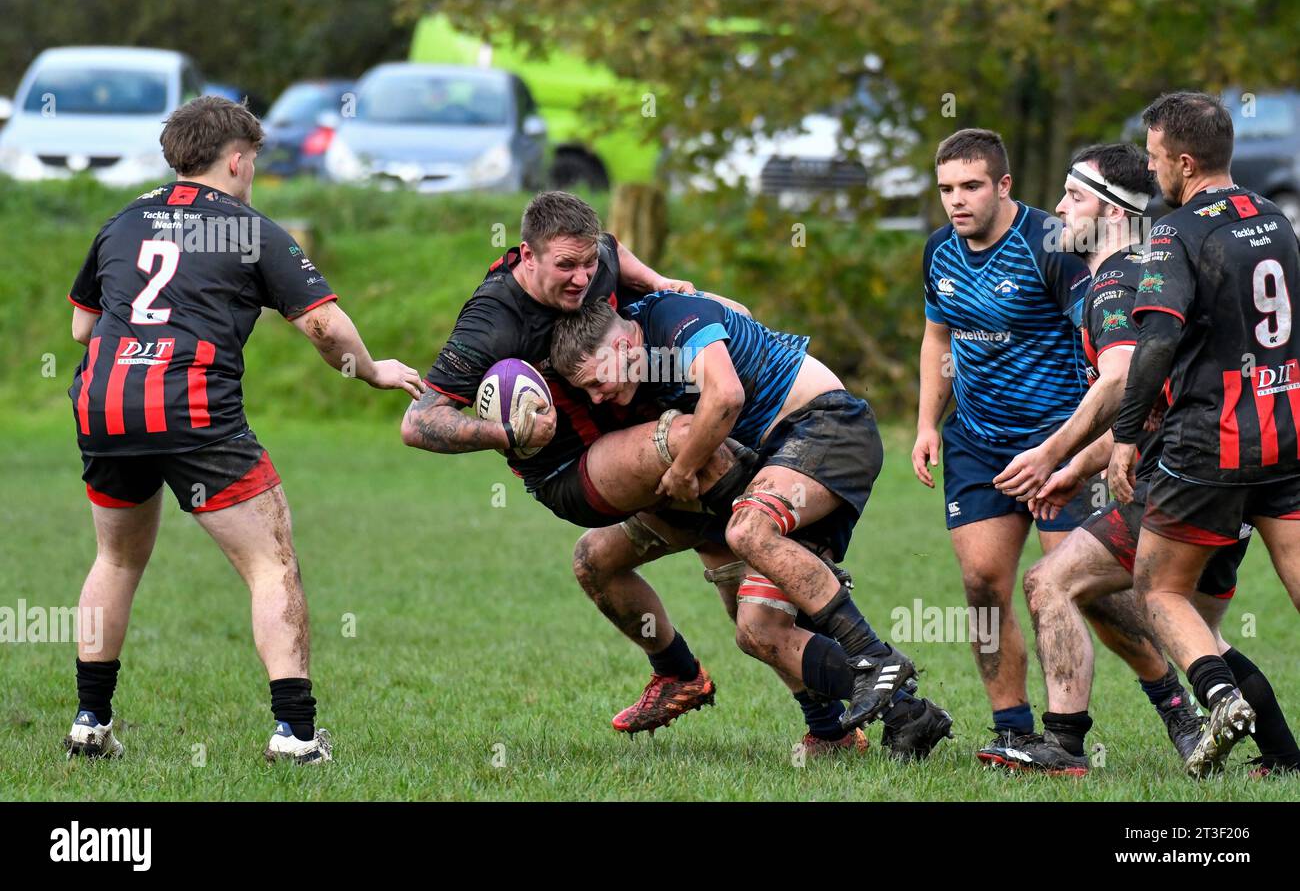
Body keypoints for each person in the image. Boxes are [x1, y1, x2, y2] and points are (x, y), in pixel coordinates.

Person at [401, 192, 871, 750]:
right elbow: (418, 423)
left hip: (648, 465)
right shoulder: (491, 321)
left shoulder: (590, 261)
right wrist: (507, 434)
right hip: (573, 471)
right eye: (565, 267)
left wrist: (662, 281)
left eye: (586, 265)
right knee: (687, 443)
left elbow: (612, 251)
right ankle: (818, 583)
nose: (581, 278)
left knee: (627, 574)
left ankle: (709, 682)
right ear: (526, 255)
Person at [64, 96, 425, 764]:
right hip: (193, 408)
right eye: (252, 162)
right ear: (235, 159)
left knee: (114, 559)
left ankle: (90, 722)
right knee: (270, 563)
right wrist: (371, 371)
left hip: (107, 404)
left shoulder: (121, 223)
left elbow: (83, 329)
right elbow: (321, 323)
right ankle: (294, 733)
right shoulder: (246, 228)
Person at [990, 144, 1296, 775]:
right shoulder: (1174, 253)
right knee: (1192, 631)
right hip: (1247, 458)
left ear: (1108, 210)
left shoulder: (1114, 279)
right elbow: (1157, 394)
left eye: (1073, 198)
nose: (1058, 211)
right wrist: (1077, 468)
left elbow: (1123, 379)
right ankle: (1282, 754)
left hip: (1181, 477)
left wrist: (1051, 453)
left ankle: (1066, 742)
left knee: (1052, 581)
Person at [549, 291, 952, 749]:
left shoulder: (670, 319)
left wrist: (681, 471)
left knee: (747, 530)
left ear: (620, 347)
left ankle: (872, 657)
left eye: (594, 382)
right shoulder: (639, 362)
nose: (596, 398)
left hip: (825, 428)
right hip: (765, 467)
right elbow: (739, 312)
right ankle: (898, 716)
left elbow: (726, 396)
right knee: (757, 631)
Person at [913, 128, 1124, 764]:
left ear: (1004, 185)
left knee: (1085, 591)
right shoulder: (938, 251)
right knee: (982, 586)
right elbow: (936, 340)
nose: (957, 200)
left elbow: (1099, 346)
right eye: (947, 188)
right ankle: (1011, 727)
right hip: (976, 442)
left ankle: (1172, 697)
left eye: (972, 186)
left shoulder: (1050, 246)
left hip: (1059, 442)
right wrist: (927, 424)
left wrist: (1094, 443)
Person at [1109, 91, 1300, 777]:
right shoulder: (1275, 218)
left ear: (1185, 163)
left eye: (1157, 158)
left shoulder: (1176, 233)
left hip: (1210, 444)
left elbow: (1156, 343)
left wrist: (1126, 437)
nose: (1153, 171)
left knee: (1157, 591)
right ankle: (1281, 756)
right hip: (1286, 431)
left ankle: (1219, 698)